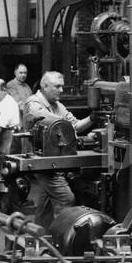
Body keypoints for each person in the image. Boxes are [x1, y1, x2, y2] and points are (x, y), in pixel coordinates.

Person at [22, 71, 95, 226]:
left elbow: (74, 125)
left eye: (62, 86)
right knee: (66, 198)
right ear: (44, 86)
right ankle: (64, 239)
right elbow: (50, 121)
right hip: (42, 164)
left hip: (54, 162)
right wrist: (67, 126)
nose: (61, 90)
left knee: (45, 204)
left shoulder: (57, 105)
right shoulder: (33, 104)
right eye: (57, 86)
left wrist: (92, 118)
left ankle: (40, 237)